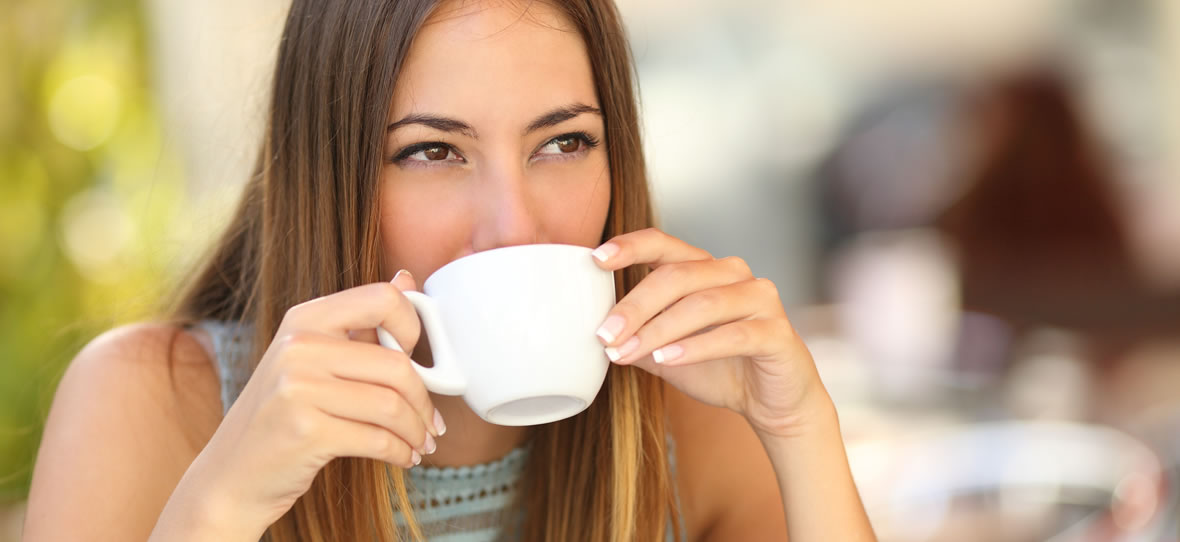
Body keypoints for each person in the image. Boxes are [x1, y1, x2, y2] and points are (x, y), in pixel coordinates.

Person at [23, 1, 876, 540]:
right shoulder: (154, 404)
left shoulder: (686, 415)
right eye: (433, 150)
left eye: (563, 142)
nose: (513, 224)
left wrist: (801, 432)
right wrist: (221, 507)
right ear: (333, 175)